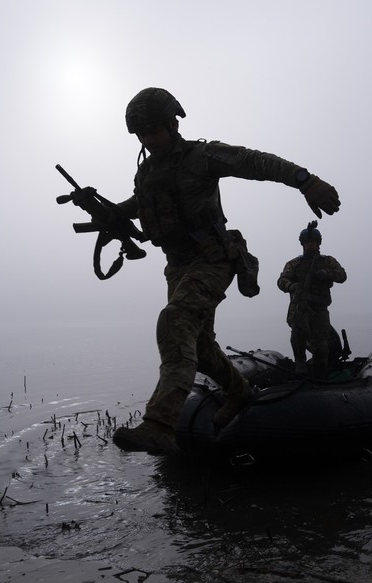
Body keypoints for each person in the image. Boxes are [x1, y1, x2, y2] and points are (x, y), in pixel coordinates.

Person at [105, 87, 340, 455]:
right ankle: (239, 392)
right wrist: (115, 212)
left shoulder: (203, 155)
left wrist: (305, 181)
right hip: (177, 266)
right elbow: (144, 203)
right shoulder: (149, 171)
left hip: (214, 258)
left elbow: (254, 161)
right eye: (141, 135)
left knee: (176, 319)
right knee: (199, 347)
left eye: (153, 131)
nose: (148, 141)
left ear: (172, 122)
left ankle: (160, 424)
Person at [277, 221, 347, 380]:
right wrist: (292, 286)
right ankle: (300, 364)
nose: (310, 245)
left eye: (313, 242)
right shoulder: (294, 264)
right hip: (300, 307)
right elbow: (281, 281)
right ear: (302, 244)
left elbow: (342, 275)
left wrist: (326, 273)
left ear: (318, 243)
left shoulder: (327, 261)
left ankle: (320, 377)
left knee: (321, 346)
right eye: (307, 242)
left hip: (320, 309)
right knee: (298, 334)